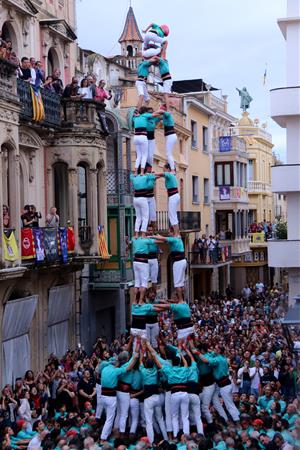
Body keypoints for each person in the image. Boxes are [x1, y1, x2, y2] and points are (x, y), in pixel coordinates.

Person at [152, 231, 187, 303]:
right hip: (182, 261)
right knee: (181, 283)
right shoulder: (177, 239)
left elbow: (162, 238)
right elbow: (162, 240)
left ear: (173, 232)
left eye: (169, 232)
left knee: (177, 284)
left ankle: (180, 300)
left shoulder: (174, 239)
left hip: (178, 262)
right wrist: (158, 236)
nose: (168, 234)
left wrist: (150, 237)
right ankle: (181, 299)